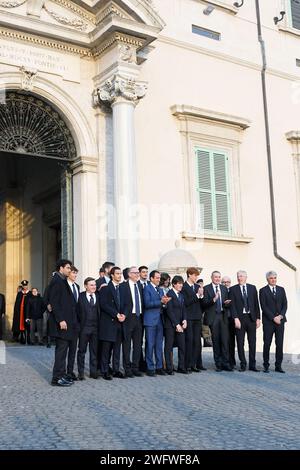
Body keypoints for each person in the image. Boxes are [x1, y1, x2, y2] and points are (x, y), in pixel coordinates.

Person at [48, 259, 77, 387]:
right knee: (61, 352)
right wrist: (61, 320)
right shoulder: (57, 281)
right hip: (62, 323)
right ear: (61, 268)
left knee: (63, 351)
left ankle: (62, 374)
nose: (69, 270)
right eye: (68, 268)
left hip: (67, 323)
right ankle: (56, 378)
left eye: (70, 268)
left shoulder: (62, 281)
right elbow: (54, 302)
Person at [229, 271, 260, 372]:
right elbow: (232, 306)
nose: (239, 278)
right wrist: (235, 318)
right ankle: (243, 364)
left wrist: (258, 318)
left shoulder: (252, 288)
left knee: (252, 342)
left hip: (251, 318)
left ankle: (252, 365)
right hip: (239, 319)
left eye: (241, 276)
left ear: (246, 277)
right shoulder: (233, 289)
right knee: (240, 343)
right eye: (238, 276)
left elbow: (256, 304)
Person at [99, 267, 126, 380]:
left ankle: (116, 370)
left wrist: (124, 314)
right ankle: (104, 370)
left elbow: (126, 303)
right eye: (117, 274)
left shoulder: (123, 288)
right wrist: (116, 314)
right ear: (112, 275)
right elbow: (104, 304)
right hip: (109, 322)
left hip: (120, 322)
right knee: (106, 349)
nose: (120, 275)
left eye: (120, 273)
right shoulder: (106, 288)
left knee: (117, 348)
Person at [203, 271, 232, 372]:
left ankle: (226, 363)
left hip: (223, 316)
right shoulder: (206, 288)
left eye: (219, 277)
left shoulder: (224, 288)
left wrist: (227, 303)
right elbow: (204, 304)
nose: (218, 279)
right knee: (216, 341)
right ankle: (218, 364)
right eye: (215, 277)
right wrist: (213, 300)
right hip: (213, 317)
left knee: (225, 341)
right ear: (211, 277)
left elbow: (227, 302)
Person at [259, 271, 287, 373]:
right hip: (268, 322)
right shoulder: (263, 290)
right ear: (267, 279)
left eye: (275, 277)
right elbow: (264, 306)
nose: (273, 279)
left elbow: (285, 304)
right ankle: (266, 365)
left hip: (280, 321)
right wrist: (273, 318)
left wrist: (280, 316)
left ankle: (278, 366)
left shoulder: (281, 289)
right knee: (267, 343)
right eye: (271, 278)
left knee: (279, 344)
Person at [143, 270, 170, 376]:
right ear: (151, 278)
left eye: (159, 278)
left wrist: (165, 303)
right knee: (150, 344)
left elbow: (162, 305)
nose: (159, 280)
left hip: (160, 319)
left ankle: (159, 367)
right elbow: (147, 303)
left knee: (159, 345)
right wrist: (161, 302)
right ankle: (150, 367)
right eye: (157, 278)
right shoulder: (147, 288)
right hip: (150, 320)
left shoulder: (160, 289)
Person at [120, 267, 144, 378]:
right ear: (129, 274)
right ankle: (127, 369)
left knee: (138, 345)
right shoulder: (123, 286)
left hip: (139, 317)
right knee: (127, 345)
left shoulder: (139, 285)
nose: (137, 274)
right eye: (135, 273)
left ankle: (135, 368)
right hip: (128, 318)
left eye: (138, 273)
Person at [182, 267, 206, 373]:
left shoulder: (197, 286)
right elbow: (186, 302)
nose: (196, 277)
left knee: (197, 342)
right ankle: (186, 365)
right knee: (189, 341)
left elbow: (202, 304)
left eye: (197, 275)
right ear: (189, 275)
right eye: (195, 275)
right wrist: (197, 295)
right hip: (188, 317)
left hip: (197, 317)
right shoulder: (183, 286)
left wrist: (202, 296)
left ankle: (194, 364)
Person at [77, 277, 101, 380]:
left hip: (95, 328)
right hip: (84, 329)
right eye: (91, 285)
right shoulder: (80, 296)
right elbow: (76, 312)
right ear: (86, 286)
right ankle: (81, 373)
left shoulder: (98, 296)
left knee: (94, 351)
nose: (94, 287)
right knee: (82, 351)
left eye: (95, 285)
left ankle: (93, 372)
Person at [165, 276, 187, 374]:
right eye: (179, 283)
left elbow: (184, 309)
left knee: (182, 346)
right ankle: (169, 368)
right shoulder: (169, 294)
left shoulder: (181, 295)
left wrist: (185, 320)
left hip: (181, 325)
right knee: (169, 347)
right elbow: (169, 311)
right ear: (174, 284)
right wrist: (176, 324)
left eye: (182, 283)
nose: (181, 285)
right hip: (170, 325)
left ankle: (181, 367)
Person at [222, 276, 236, 369]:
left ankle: (232, 360)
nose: (226, 283)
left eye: (228, 282)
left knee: (232, 341)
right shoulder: (221, 291)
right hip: (223, 319)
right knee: (224, 341)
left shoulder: (233, 291)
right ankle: (225, 361)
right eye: (224, 282)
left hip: (232, 319)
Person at [12, 280, 31, 344]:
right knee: (20, 326)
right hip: (20, 313)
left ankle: (28, 339)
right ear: (22, 286)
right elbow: (16, 304)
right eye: (24, 285)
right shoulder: (19, 293)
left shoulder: (30, 293)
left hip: (27, 313)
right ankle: (22, 338)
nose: (25, 287)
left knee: (27, 326)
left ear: (27, 285)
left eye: (26, 285)